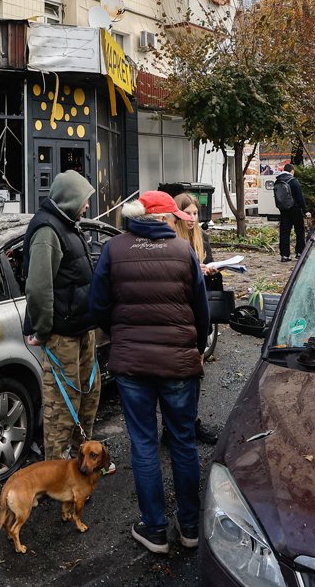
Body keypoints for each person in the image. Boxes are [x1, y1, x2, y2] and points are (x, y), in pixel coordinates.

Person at [89, 190, 210, 555]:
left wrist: (120, 334)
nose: (176, 221)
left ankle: (155, 530)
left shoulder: (115, 249)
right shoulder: (182, 251)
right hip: (177, 364)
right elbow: (201, 310)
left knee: (143, 445)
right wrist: (197, 348)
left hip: (132, 365)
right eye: (173, 216)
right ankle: (190, 528)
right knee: (183, 441)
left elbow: (98, 305)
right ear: (163, 219)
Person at [23, 170, 102, 460]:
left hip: (81, 329)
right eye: (84, 200)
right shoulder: (48, 231)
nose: (87, 206)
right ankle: (57, 475)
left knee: (88, 395)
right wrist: (43, 330)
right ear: (70, 199)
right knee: (61, 408)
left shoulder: (68, 224)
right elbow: (39, 287)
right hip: (61, 335)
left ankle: (84, 464)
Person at [171, 192, 220, 445]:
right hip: (179, 314)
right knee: (178, 377)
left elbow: (211, 267)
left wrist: (210, 269)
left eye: (195, 213)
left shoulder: (202, 238)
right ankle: (176, 428)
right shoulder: (171, 240)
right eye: (187, 213)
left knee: (196, 371)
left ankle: (190, 422)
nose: (192, 218)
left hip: (198, 311)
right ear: (177, 213)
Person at [274, 164, 309, 262]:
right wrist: (305, 210)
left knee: (284, 232)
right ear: (292, 171)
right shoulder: (293, 181)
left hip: (284, 210)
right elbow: (300, 197)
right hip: (295, 209)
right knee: (299, 231)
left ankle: (285, 255)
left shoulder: (278, 181)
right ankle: (299, 252)